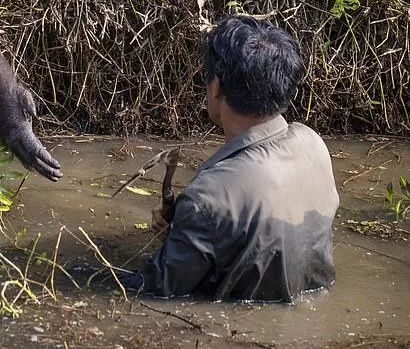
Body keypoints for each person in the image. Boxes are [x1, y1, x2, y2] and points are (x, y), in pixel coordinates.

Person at [119, 16, 340, 302]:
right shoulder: (313, 144)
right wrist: (183, 233)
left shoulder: (209, 197)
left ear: (216, 87)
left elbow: (154, 290)